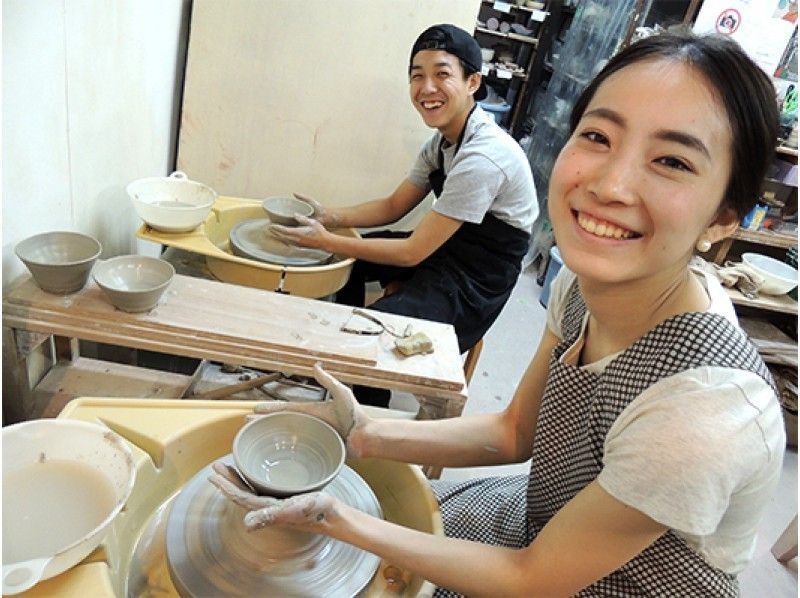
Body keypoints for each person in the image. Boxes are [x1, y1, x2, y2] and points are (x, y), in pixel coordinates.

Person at [210, 31, 785, 596]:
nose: (610, 184)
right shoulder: (581, 289)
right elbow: (515, 431)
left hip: (611, 584)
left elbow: (532, 580)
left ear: (724, 218)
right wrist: (366, 434)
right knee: (391, 525)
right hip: (547, 522)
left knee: (360, 551)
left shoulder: (701, 417)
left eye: (672, 161)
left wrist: (336, 522)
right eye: (598, 136)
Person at [269, 24, 538, 406]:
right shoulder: (442, 142)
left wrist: (324, 239)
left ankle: (367, 408)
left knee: (374, 332)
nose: (427, 88)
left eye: (442, 74)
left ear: (473, 82)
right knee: (349, 262)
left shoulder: (484, 157)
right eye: (417, 76)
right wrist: (328, 216)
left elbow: (412, 252)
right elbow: (393, 207)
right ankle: (351, 375)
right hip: (445, 248)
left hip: (475, 281)